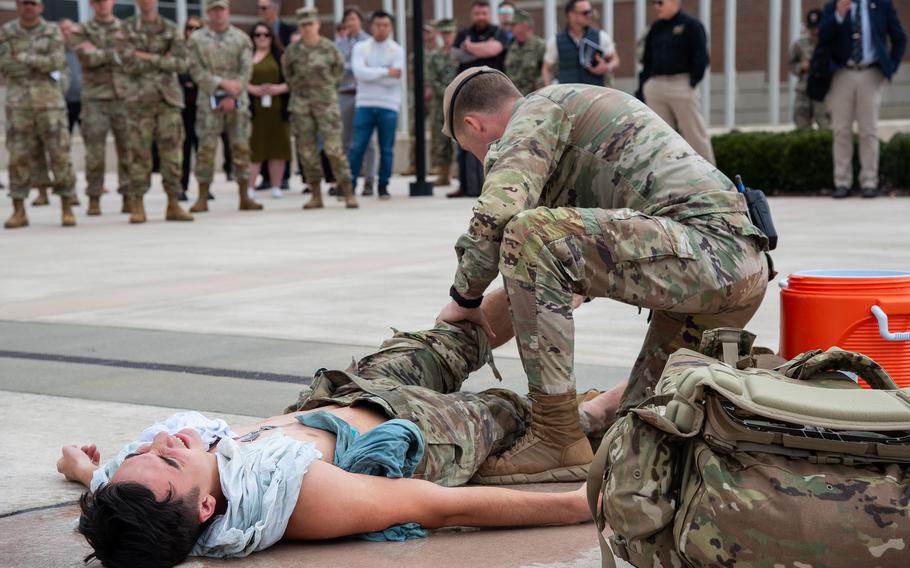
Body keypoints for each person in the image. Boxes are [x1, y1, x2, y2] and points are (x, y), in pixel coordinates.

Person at [59, 289, 612, 566]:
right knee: (529, 416)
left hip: (337, 397)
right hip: (418, 427)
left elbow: (111, 490)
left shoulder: (143, 495)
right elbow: (436, 507)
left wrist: (82, 469)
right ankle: (610, 394)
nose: (162, 441)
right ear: (206, 510)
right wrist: (574, 507)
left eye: (148, 451)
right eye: (171, 457)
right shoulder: (295, 498)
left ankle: (557, 277)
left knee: (450, 335)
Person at [436, 68, 770, 484]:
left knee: (530, 235)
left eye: (472, 150)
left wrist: (463, 298)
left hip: (709, 254)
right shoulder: (575, 117)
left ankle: (555, 435)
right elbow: (602, 237)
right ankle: (587, 425)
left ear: (473, 125)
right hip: (735, 270)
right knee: (638, 431)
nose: (482, 159)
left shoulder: (539, 110)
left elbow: (501, 212)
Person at [0, 0, 77, 229]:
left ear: (40, 7)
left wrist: (23, 58)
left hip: (50, 104)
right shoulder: (7, 32)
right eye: (24, 4)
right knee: (18, 158)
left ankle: (67, 206)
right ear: (17, 6)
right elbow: (4, 64)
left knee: (60, 156)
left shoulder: (52, 31)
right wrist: (38, 62)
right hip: (18, 105)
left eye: (32, 4)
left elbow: (56, 61)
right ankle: (19, 210)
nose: (28, 8)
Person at [821, 0, 906, 199]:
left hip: (871, 72)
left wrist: (889, 68)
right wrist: (838, 16)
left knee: (869, 130)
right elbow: (823, 38)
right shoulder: (833, 6)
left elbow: (899, 38)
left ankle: (869, 181)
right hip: (842, 73)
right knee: (841, 130)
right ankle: (842, 181)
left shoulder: (882, 5)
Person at [120, 0, 194, 224]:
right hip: (138, 101)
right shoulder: (126, 28)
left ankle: (173, 203)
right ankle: (138, 204)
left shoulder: (171, 28)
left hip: (167, 100)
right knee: (138, 154)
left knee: (172, 154)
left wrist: (145, 56)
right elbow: (126, 62)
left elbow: (182, 64)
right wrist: (163, 60)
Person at [188, 0, 263, 213]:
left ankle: (244, 196)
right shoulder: (196, 39)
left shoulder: (241, 39)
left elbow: (246, 71)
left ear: (227, 11)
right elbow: (196, 71)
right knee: (206, 149)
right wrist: (221, 84)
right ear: (208, 12)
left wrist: (234, 90)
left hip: (237, 103)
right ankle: (202, 196)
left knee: (241, 148)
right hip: (208, 104)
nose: (218, 14)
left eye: (221, 9)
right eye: (214, 10)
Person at [282, 7, 358, 210]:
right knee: (306, 152)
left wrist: (326, 92)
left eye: (310, 23)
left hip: (326, 106)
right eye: (303, 24)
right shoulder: (292, 52)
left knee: (334, 149)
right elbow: (288, 76)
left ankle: (347, 191)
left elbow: (338, 73)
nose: (307, 28)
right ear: (299, 26)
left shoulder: (329, 48)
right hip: (301, 106)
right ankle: (315, 194)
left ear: (317, 24)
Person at [71, 0, 132, 217]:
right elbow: (86, 57)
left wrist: (100, 52)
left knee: (127, 150)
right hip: (95, 99)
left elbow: (130, 58)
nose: (102, 5)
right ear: (91, 4)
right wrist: (114, 51)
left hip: (123, 97)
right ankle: (94, 197)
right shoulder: (81, 30)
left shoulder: (126, 28)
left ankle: (128, 196)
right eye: (97, 1)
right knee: (94, 153)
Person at [639, 0, 715, 165]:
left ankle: (713, 182)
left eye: (660, 2)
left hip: (681, 84)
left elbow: (701, 57)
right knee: (660, 137)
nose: (656, 7)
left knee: (695, 134)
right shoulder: (656, 27)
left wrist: (693, 81)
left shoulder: (691, 25)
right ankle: (668, 182)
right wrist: (644, 87)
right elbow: (647, 60)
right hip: (656, 86)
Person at [448, 1, 509, 199]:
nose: (480, 17)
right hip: (465, 94)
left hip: (493, 95)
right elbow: (455, 54)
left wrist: (470, 47)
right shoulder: (463, 32)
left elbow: (494, 50)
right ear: (472, 14)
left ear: (488, 14)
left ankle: (490, 187)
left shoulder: (498, 31)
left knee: (493, 140)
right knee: (463, 138)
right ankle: (465, 185)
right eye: (477, 13)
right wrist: (481, 49)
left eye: (484, 13)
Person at [349, 10, 405, 201]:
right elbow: (359, 73)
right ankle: (350, 185)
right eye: (378, 25)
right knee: (357, 146)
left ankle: (383, 186)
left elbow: (395, 79)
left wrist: (373, 73)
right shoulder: (360, 47)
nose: (382, 29)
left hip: (389, 105)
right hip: (364, 103)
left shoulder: (397, 50)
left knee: (386, 149)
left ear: (390, 27)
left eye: (386, 25)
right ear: (371, 26)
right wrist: (386, 72)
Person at [336, 6, 378, 196]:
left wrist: (353, 66)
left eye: (354, 19)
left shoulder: (369, 43)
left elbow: (367, 67)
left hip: (363, 95)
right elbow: (336, 67)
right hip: (344, 93)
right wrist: (355, 66)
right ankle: (345, 181)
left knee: (367, 141)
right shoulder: (340, 43)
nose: (351, 23)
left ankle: (369, 180)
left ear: (360, 21)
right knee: (344, 140)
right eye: (348, 20)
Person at [247, 22, 291, 200]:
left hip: (276, 107)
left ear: (272, 38)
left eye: (266, 35)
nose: (262, 38)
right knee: (254, 148)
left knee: (277, 147)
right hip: (254, 108)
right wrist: (252, 89)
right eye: (258, 35)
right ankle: (249, 186)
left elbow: (293, 80)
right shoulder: (247, 56)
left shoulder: (280, 56)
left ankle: (276, 185)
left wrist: (278, 89)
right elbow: (238, 78)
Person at [542, 0, 619, 88]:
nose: (589, 15)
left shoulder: (601, 36)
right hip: (568, 97)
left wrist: (607, 67)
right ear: (571, 14)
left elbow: (615, 59)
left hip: (594, 95)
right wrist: (549, 90)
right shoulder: (555, 40)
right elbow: (547, 68)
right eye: (585, 13)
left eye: (590, 12)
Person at [426, 18, 458, 187]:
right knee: (440, 139)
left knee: (462, 138)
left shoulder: (460, 54)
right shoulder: (434, 56)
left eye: (450, 33)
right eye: (444, 33)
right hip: (440, 104)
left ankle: (461, 173)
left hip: (460, 104)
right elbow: (432, 79)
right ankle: (443, 174)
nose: (447, 37)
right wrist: (447, 94)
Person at [789, 9, 830, 130]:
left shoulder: (828, 42)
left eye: (817, 27)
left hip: (823, 89)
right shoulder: (799, 44)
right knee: (801, 122)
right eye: (812, 28)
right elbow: (792, 64)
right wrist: (801, 67)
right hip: (803, 89)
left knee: (825, 123)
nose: (815, 31)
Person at [179, 17, 202, 201]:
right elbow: (177, 71)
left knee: (203, 148)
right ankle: (182, 187)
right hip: (183, 106)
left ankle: (204, 188)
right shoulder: (180, 50)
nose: (193, 32)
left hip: (203, 105)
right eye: (189, 28)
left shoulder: (206, 50)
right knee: (184, 147)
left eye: (197, 28)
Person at [504, 9, 546, 96]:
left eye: (514, 25)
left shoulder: (540, 45)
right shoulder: (510, 45)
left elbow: (548, 71)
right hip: (513, 96)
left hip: (533, 97)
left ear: (524, 25)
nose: (511, 28)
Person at [59, 19, 82, 135]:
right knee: (63, 141)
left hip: (85, 102)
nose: (66, 32)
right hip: (63, 103)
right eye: (63, 30)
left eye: (69, 29)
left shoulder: (83, 51)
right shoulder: (55, 53)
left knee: (92, 141)